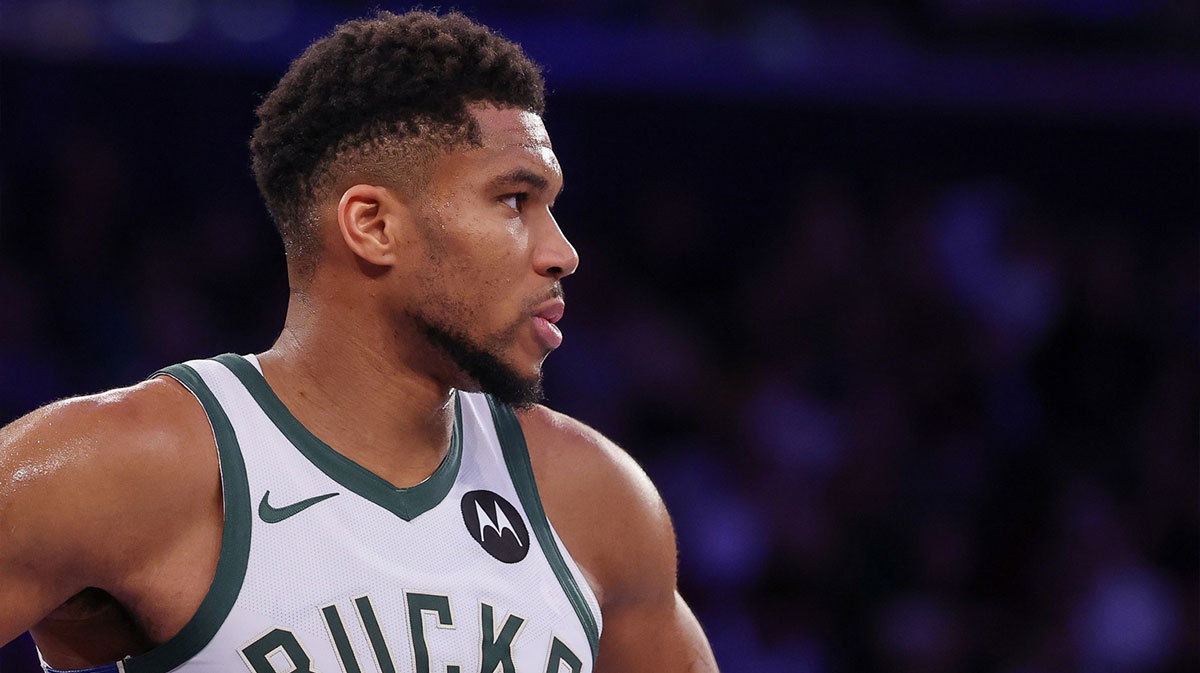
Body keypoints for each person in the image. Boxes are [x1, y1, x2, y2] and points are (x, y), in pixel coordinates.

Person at [0, 10, 719, 673]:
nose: (562, 251)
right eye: (514, 201)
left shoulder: (595, 496)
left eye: (550, 207)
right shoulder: (128, 463)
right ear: (373, 225)